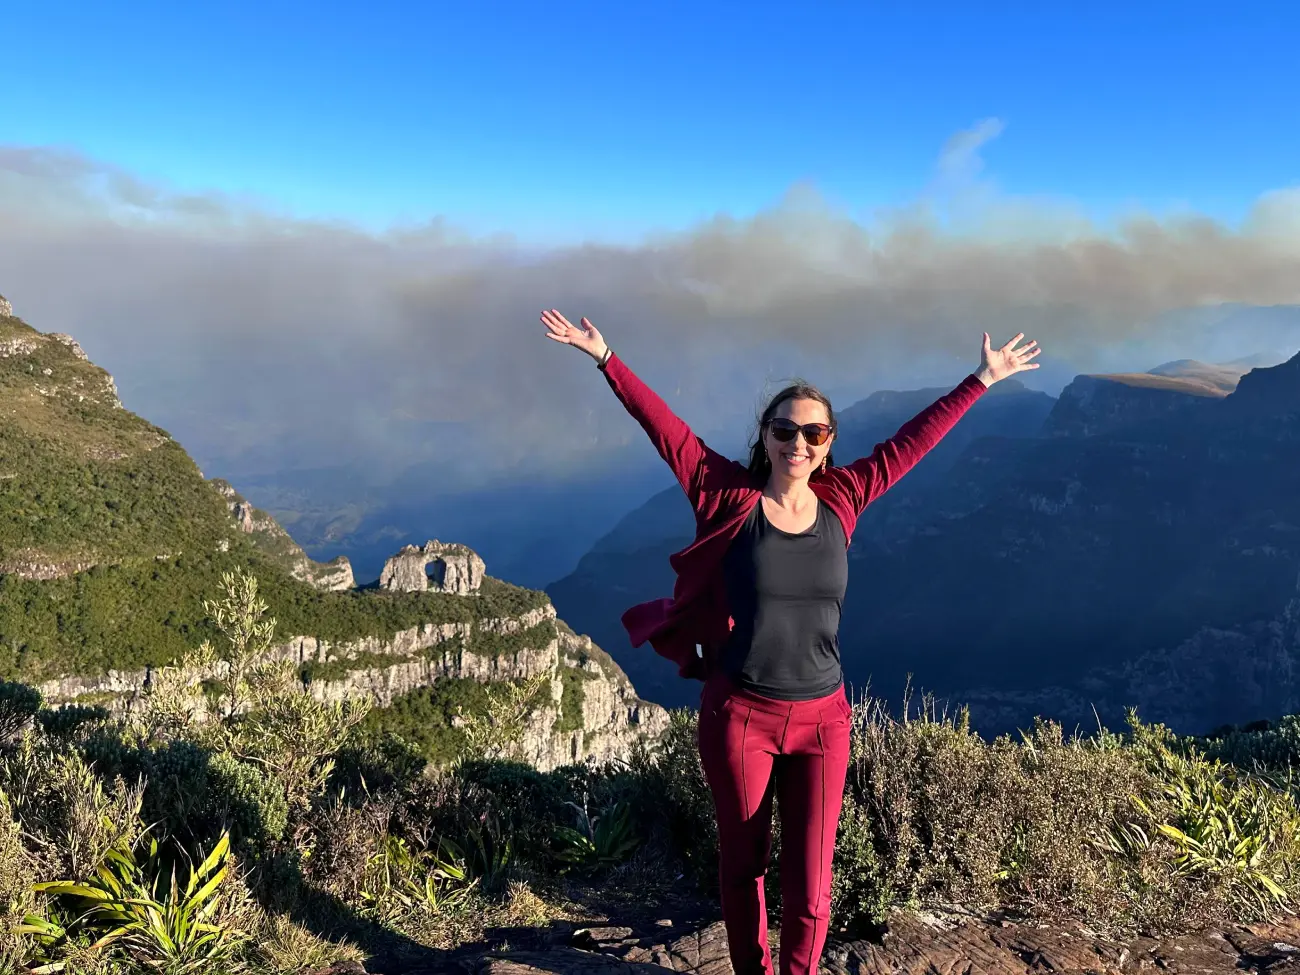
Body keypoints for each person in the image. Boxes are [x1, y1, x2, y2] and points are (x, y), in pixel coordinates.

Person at [540, 308, 1041, 975]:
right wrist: (606, 357)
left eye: (814, 431)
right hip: (740, 716)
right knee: (743, 865)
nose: (798, 443)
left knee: (811, 883)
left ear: (828, 441)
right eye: (785, 430)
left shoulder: (846, 496)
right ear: (767, 437)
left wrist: (981, 378)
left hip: (822, 720)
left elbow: (911, 442)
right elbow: (668, 431)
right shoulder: (726, 496)